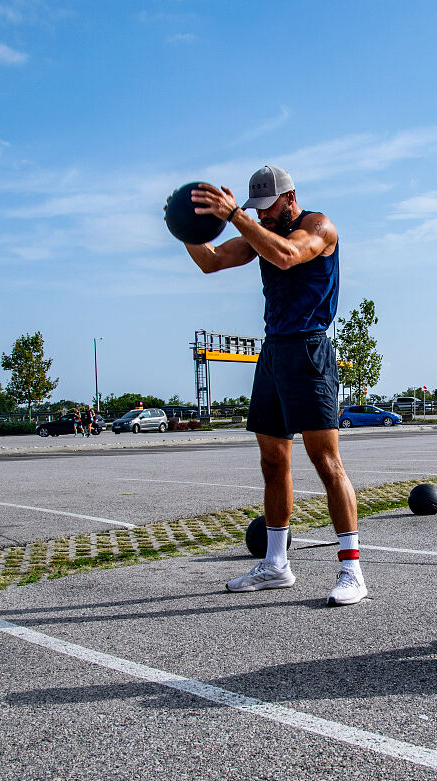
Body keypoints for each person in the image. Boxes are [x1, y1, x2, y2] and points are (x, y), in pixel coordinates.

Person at [171, 165, 366, 606]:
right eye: (253, 210)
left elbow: (287, 256)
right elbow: (212, 261)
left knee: (325, 460)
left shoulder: (318, 226)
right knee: (273, 462)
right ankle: (276, 564)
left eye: (266, 208)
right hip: (274, 351)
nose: (259, 216)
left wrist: (236, 215)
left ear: (290, 199)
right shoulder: (261, 231)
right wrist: (183, 227)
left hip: (310, 350)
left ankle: (351, 570)